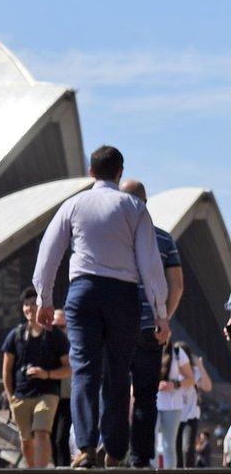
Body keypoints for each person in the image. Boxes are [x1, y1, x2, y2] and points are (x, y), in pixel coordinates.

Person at [33, 145, 170, 468]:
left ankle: (84, 446)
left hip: (83, 292)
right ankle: (116, 447)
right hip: (123, 294)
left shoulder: (73, 204)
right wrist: (160, 312)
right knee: (118, 371)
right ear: (120, 172)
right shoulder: (134, 207)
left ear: (90, 172)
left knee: (84, 368)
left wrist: (45, 299)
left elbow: (48, 253)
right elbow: (150, 264)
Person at [118, 178, 185, 467]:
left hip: (117, 326)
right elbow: (177, 285)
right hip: (150, 328)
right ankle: (140, 458)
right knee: (146, 395)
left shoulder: (112, 239)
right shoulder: (163, 238)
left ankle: (113, 449)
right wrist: (164, 320)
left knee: (115, 390)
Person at [1, 287, 71, 467]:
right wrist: (11, 398)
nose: (29, 308)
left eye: (33, 304)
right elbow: (6, 370)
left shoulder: (55, 335)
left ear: (40, 307)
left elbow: (68, 368)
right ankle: (31, 469)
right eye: (26, 304)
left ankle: (40, 470)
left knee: (42, 431)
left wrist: (46, 374)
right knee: (26, 439)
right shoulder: (15, 335)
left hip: (47, 393)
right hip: (21, 395)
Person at [155, 339, 194, 469]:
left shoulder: (177, 352)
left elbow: (190, 379)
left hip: (172, 405)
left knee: (169, 445)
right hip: (151, 402)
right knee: (150, 442)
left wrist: (174, 384)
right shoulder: (146, 349)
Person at [177, 342, 213, 467]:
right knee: (177, 450)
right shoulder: (172, 370)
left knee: (187, 448)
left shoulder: (194, 371)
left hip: (190, 415)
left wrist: (199, 365)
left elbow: (207, 386)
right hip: (175, 414)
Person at [49, 309, 73, 467]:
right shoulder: (47, 342)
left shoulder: (74, 344)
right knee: (50, 438)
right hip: (49, 396)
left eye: (62, 326)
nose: (58, 330)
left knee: (61, 439)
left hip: (68, 397)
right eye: (55, 326)